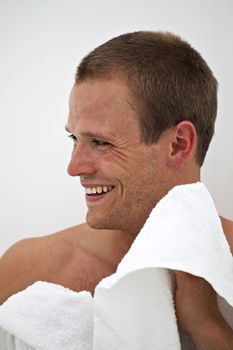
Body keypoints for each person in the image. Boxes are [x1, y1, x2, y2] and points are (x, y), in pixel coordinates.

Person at [0, 31, 233, 349]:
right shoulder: (26, 269)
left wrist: (210, 327)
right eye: (75, 139)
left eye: (101, 142)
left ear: (178, 145)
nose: (75, 167)